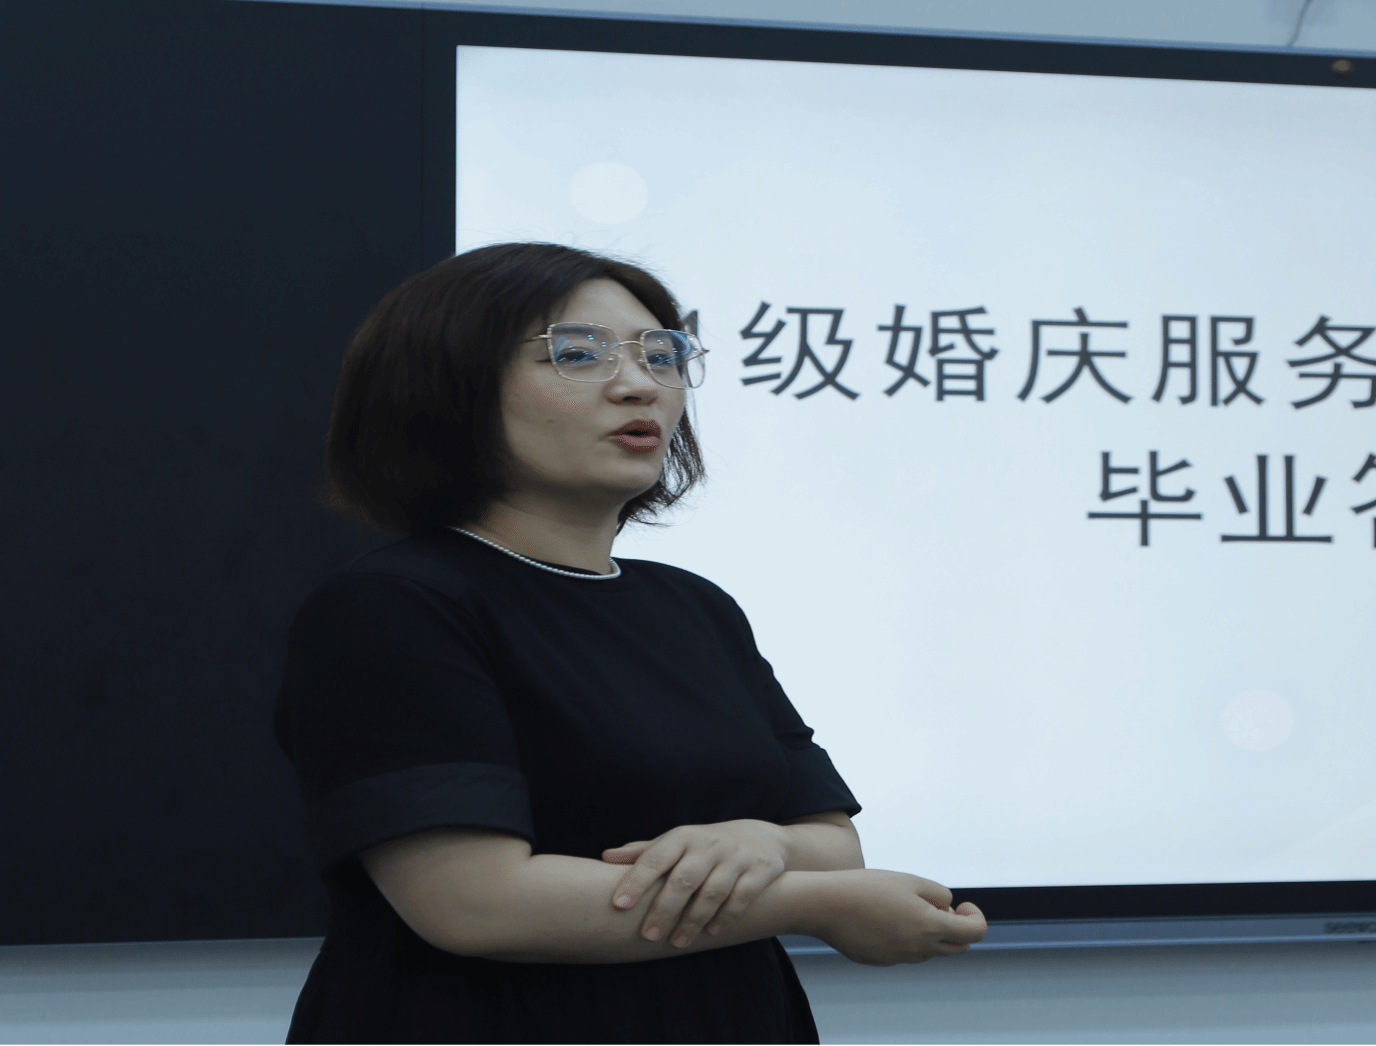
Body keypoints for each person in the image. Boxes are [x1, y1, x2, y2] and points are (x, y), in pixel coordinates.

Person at [275, 242, 987, 1044]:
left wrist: (756, 841)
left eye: (663, 354)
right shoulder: (393, 605)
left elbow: (832, 843)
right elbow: (474, 904)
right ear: (446, 386)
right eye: (578, 354)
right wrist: (807, 902)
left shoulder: (696, 607)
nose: (640, 384)